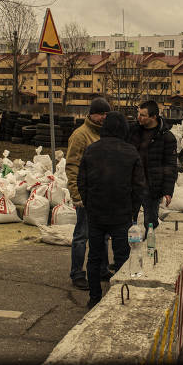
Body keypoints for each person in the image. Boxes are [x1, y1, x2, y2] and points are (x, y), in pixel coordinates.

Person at [77, 111, 146, 309]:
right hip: (121, 214)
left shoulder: (91, 150)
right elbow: (138, 187)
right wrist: (132, 211)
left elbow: (82, 182)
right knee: (122, 257)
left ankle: (95, 297)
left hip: (96, 213)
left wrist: (89, 204)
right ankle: (119, 296)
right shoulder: (131, 152)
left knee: (94, 257)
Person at [66, 97, 113, 290]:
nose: (103, 117)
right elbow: (72, 166)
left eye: (106, 114)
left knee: (102, 236)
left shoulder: (105, 134)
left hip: (102, 196)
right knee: (81, 235)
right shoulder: (80, 135)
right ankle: (77, 273)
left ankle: (102, 269)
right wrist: (76, 195)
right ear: (92, 114)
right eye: (101, 114)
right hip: (86, 196)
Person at [127, 100, 178, 236]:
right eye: (139, 114)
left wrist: (168, 190)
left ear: (154, 117)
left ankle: (149, 252)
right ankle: (127, 254)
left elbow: (170, 165)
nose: (139, 118)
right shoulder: (133, 131)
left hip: (152, 188)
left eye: (143, 115)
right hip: (132, 186)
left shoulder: (166, 137)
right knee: (127, 224)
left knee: (150, 225)